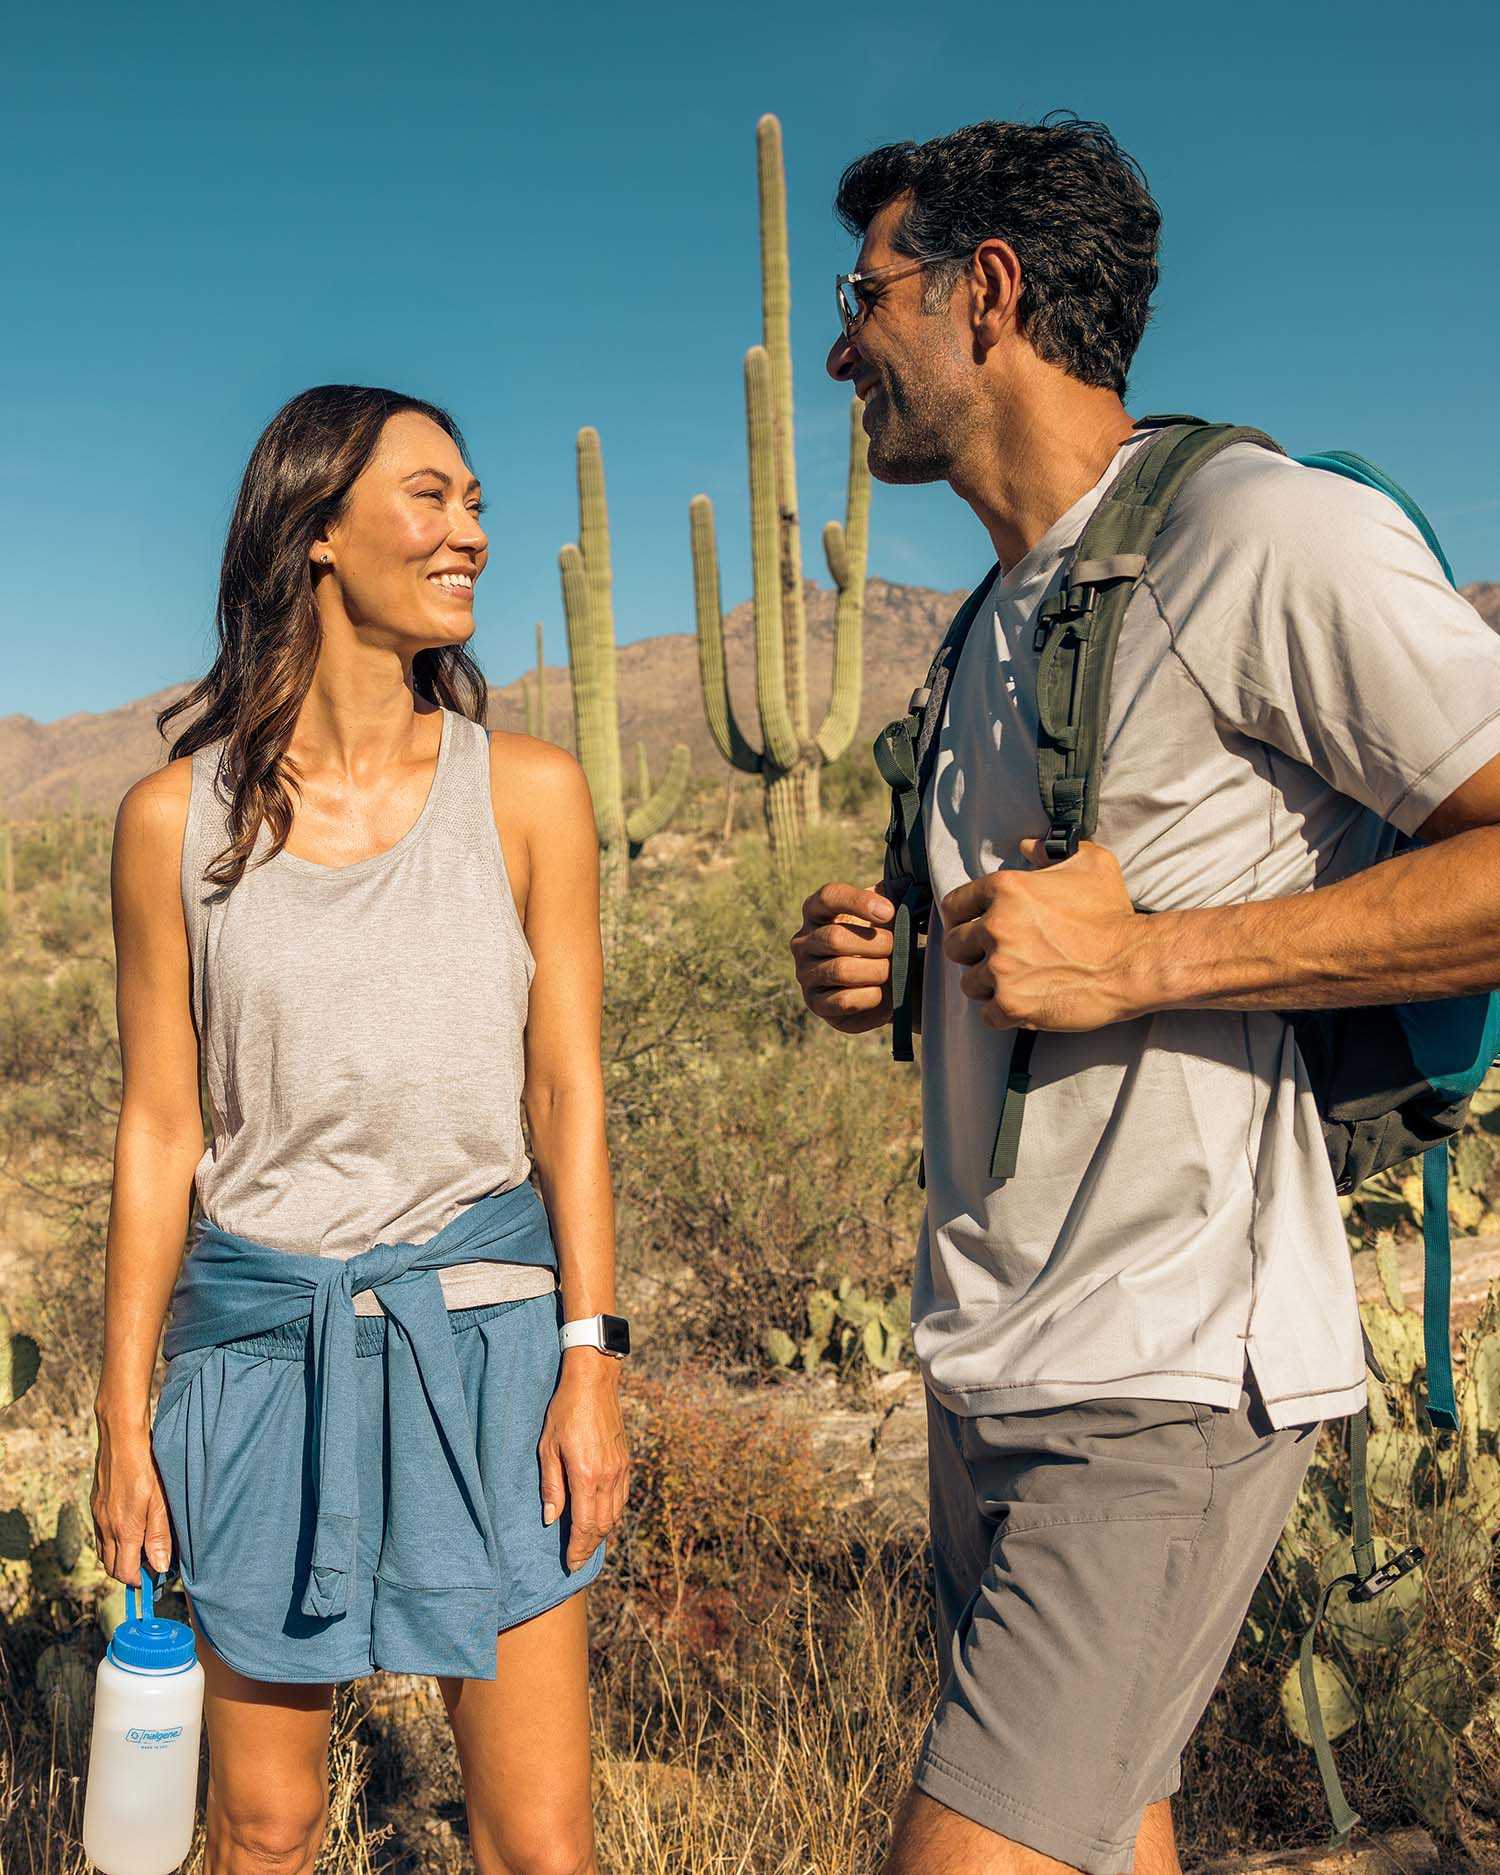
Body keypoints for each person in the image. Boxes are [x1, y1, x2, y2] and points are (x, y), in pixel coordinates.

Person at [792, 116, 1500, 1875]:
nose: (836, 346)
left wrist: (1148, 959)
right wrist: (888, 960)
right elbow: (1037, 941)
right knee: (1113, 1840)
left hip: (1163, 1373)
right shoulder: (985, 623)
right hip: (990, 1359)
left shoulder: (1262, 535)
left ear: (991, 295)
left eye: (863, 294)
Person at [91, 384, 631, 1875]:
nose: (468, 534)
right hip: (261, 1351)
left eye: (476, 506)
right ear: (315, 533)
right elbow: (157, 1132)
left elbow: (568, 1093)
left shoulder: (527, 798)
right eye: (430, 499)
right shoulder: (169, 826)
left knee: (540, 1845)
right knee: (261, 1833)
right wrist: (121, 1420)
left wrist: (592, 1358)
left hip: (490, 1345)